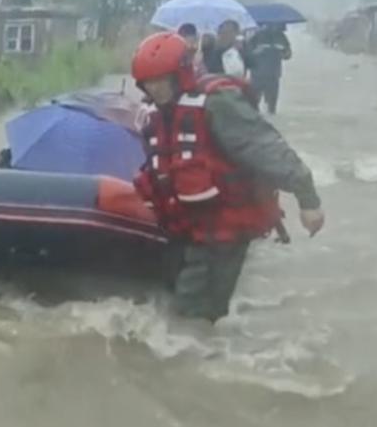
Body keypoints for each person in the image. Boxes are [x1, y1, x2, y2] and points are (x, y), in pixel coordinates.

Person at [130, 32, 325, 323]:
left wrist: (307, 198)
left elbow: (265, 148)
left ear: (179, 74)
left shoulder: (217, 103)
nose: (154, 88)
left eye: (161, 80)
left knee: (193, 312)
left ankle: (197, 362)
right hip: (185, 228)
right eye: (148, 81)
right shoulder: (159, 115)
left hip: (221, 229)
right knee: (178, 302)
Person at [247, 24, 292, 114]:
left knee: (272, 106)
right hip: (257, 74)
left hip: (273, 74)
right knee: (253, 103)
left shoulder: (281, 36)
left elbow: (288, 54)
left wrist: (282, 54)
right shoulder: (256, 36)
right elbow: (247, 53)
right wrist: (257, 52)